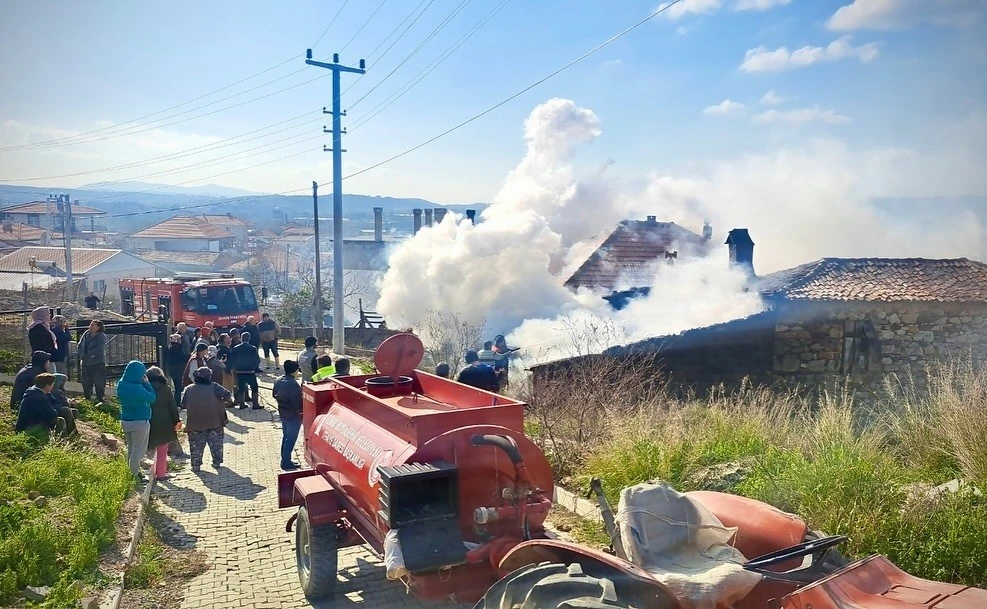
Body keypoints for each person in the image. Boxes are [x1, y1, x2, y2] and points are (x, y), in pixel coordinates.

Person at [182, 366, 232, 472]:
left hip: (195, 422)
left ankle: (196, 465)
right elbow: (227, 395)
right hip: (215, 421)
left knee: (196, 445)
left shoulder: (189, 389)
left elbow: (183, 403)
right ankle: (216, 462)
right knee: (216, 444)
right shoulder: (215, 386)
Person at [116, 360, 156, 483]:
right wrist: (147, 383)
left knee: (131, 448)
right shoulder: (138, 388)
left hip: (126, 420)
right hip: (139, 421)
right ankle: (135, 474)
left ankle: (130, 472)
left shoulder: (121, 384)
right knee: (139, 449)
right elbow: (152, 397)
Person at [146, 366, 181, 480]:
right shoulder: (166, 388)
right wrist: (177, 420)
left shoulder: (144, 388)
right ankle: (161, 473)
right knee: (162, 449)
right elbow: (172, 406)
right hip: (165, 422)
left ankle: (152, 469)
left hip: (147, 420)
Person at [273, 361, 302, 471]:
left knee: (285, 437)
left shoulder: (278, 380)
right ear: (295, 370)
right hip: (293, 415)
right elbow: (296, 402)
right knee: (291, 439)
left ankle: (285, 459)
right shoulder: (293, 384)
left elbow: (274, 394)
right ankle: (286, 462)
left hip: (283, 412)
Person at [78, 320, 107, 402]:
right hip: (85, 362)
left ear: (98, 327)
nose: (90, 326)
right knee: (86, 381)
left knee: (99, 381)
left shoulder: (101, 336)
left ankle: (100, 398)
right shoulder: (86, 334)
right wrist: (82, 355)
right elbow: (80, 345)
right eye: (90, 324)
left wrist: (90, 355)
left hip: (97, 362)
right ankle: (87, 397)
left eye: (93, 325)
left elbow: (99, 349)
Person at [230, 332, 261, 409]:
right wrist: (254, 367)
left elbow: (232, 360)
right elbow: (257, 360)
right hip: (250, 371)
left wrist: (236, 368)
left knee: (241, 387)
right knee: (254, 387)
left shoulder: (236, 348)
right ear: (249, 338)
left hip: (239, 371)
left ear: (241, 338)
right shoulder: (253, 348)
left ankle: (241, 404)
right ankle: (255, 404)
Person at [165, 333, 187, 406]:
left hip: (173, 370)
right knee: (178, 388)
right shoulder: (177, 348)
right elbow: (182, 357)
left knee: (178, 387)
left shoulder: (170, 347)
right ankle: (176, 402)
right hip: (177, 370)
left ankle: (176, 402)